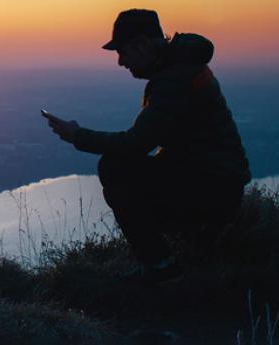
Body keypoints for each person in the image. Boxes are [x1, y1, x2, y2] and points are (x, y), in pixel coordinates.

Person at [44, 9, 250, 282]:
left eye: (123, 52)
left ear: (141, 45)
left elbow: (136, 144)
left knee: (115, 167)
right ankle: (198, 249)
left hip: (211, 189)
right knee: (131, 168)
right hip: (217, 182)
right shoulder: (181, 67)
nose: (120, 62)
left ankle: (163, 268)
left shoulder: (174, 80)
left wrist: (77, 136)